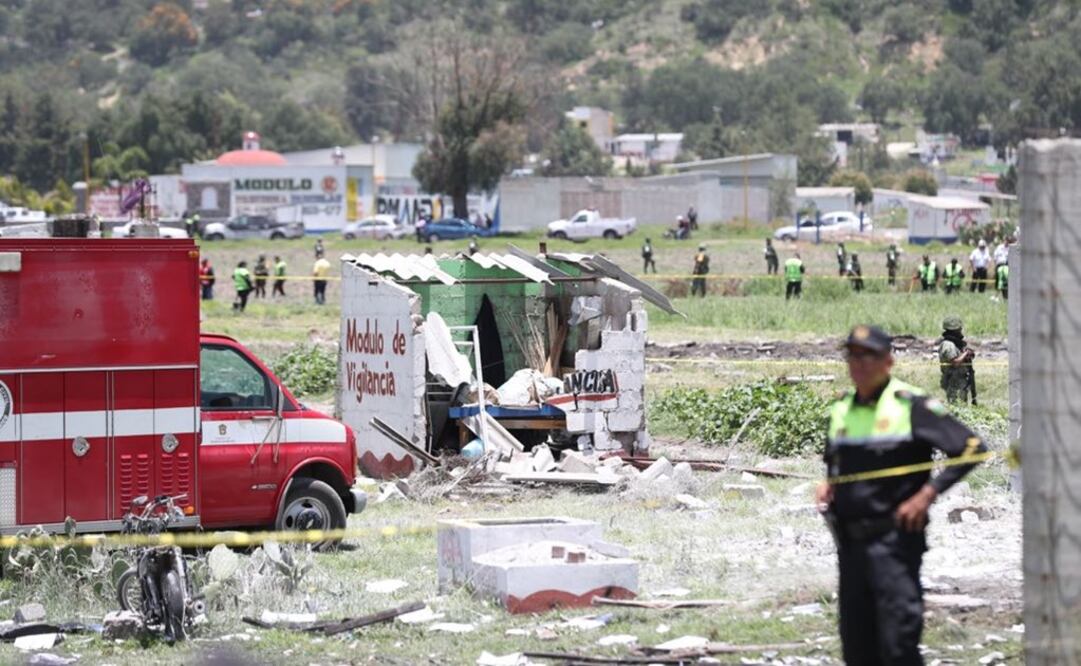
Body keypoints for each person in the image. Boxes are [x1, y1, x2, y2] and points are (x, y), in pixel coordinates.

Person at [816, 324, 986, 666]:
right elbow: (840, 462)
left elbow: (972, 448)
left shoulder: (910, 405)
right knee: (858, 649)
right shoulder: (841, 408)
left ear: (888, 362)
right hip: (849, 547)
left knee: (897, 646)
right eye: (853, 356)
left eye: (869, 356)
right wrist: (831, 484)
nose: (859, 364)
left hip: (893, 544)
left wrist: (927, 495)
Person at [939, 316, 976, 405]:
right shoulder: (948, 345)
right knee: (957, 408)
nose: (960, 330)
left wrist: (967, 354)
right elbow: (955, 362)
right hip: (954, 382)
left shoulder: (955, 343)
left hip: (960, 380)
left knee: (962, 405)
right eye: (959, 329)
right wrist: (965, 354)